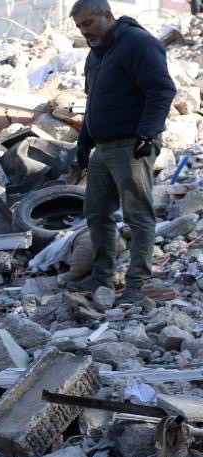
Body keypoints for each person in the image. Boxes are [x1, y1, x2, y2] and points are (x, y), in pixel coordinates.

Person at [71, 0, 175, 304]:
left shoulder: (138, 43)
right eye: (79, 26)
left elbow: (161, 89)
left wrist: (147, 132)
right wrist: (84, 141)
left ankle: (137, 284)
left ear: (108, 16)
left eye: (88, 23)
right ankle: (102, 278)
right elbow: (93, 103)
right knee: (96, 213)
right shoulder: (97, 53)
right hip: (103, 148)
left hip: (131, 143)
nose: (84, 31)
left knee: (137, 215)